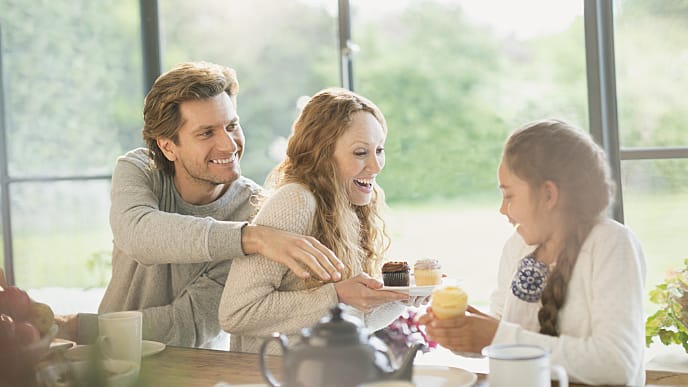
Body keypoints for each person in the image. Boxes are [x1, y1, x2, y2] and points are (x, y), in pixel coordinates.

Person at [55, 61, 344, 349]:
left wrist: (74, 327)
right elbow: (137, 233)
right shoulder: (142, 170)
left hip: (194, 369)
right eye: (206, 133)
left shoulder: (256, 211)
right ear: (168, 146)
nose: (229, 146)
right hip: (108, 359)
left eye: (232, 126)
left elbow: (187, 323)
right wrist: (250, 238)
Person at [419, 119, 647, 386]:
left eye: (509, 196)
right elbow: (505, 330)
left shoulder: (610, 243)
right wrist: (464, 330)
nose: (502, 210)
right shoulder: (518, 247)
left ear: (549, 195)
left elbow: (617, 364)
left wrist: (496, 336)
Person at [219, 87, 413, 354]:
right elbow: (237, 313)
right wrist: (335, 294)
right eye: (360, 153)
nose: (376, 165)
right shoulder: (295, 201)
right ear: (323, 154)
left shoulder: (351, 204)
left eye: (379, 150)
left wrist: (406, 296)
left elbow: (357, 321)